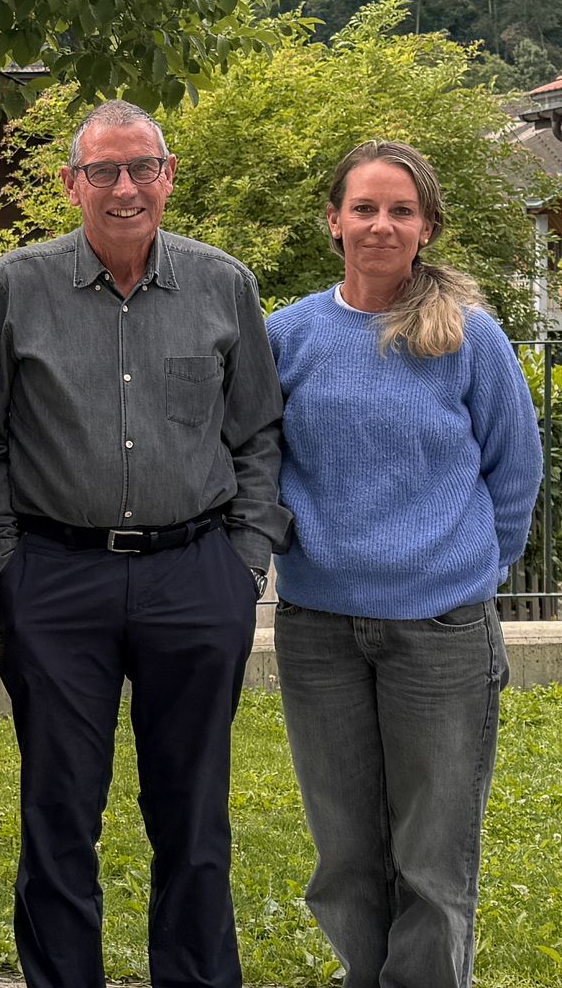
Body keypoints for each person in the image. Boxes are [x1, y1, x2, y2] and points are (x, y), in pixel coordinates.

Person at [0, 99, 289, 988]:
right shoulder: (13, 287)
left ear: (169, 175)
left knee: (193, 818)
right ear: (71, 183)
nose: (124, 188)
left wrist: (245, 561)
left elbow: (258, 433)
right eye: (104, 172)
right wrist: (7, 563)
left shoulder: (223, 284)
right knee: (59, 814)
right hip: (55, 578)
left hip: (197, 577)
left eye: (141, 168)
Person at [267, 141, 539, 988]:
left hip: (441, 634)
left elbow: (514, 467)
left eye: (401, 210)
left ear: (424, 228)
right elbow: (258, 458)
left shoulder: (470, 338)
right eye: (365, 208)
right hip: (320, 630)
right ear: (333, 220)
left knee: (432, 858)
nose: (381, 224)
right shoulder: (288, 335)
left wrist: (471, 571)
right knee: (345, 855)